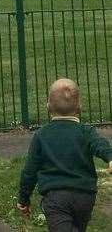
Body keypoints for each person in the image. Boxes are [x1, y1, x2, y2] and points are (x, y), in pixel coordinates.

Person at [17, 78, 112, 231]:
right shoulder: (86, 132)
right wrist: (110, 157)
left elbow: (30, 171)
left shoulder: (42, 135)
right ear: (80, 106)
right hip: (85, 197)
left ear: (48, 106)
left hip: (56, 197)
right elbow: (100, 145)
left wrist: (24, 198)